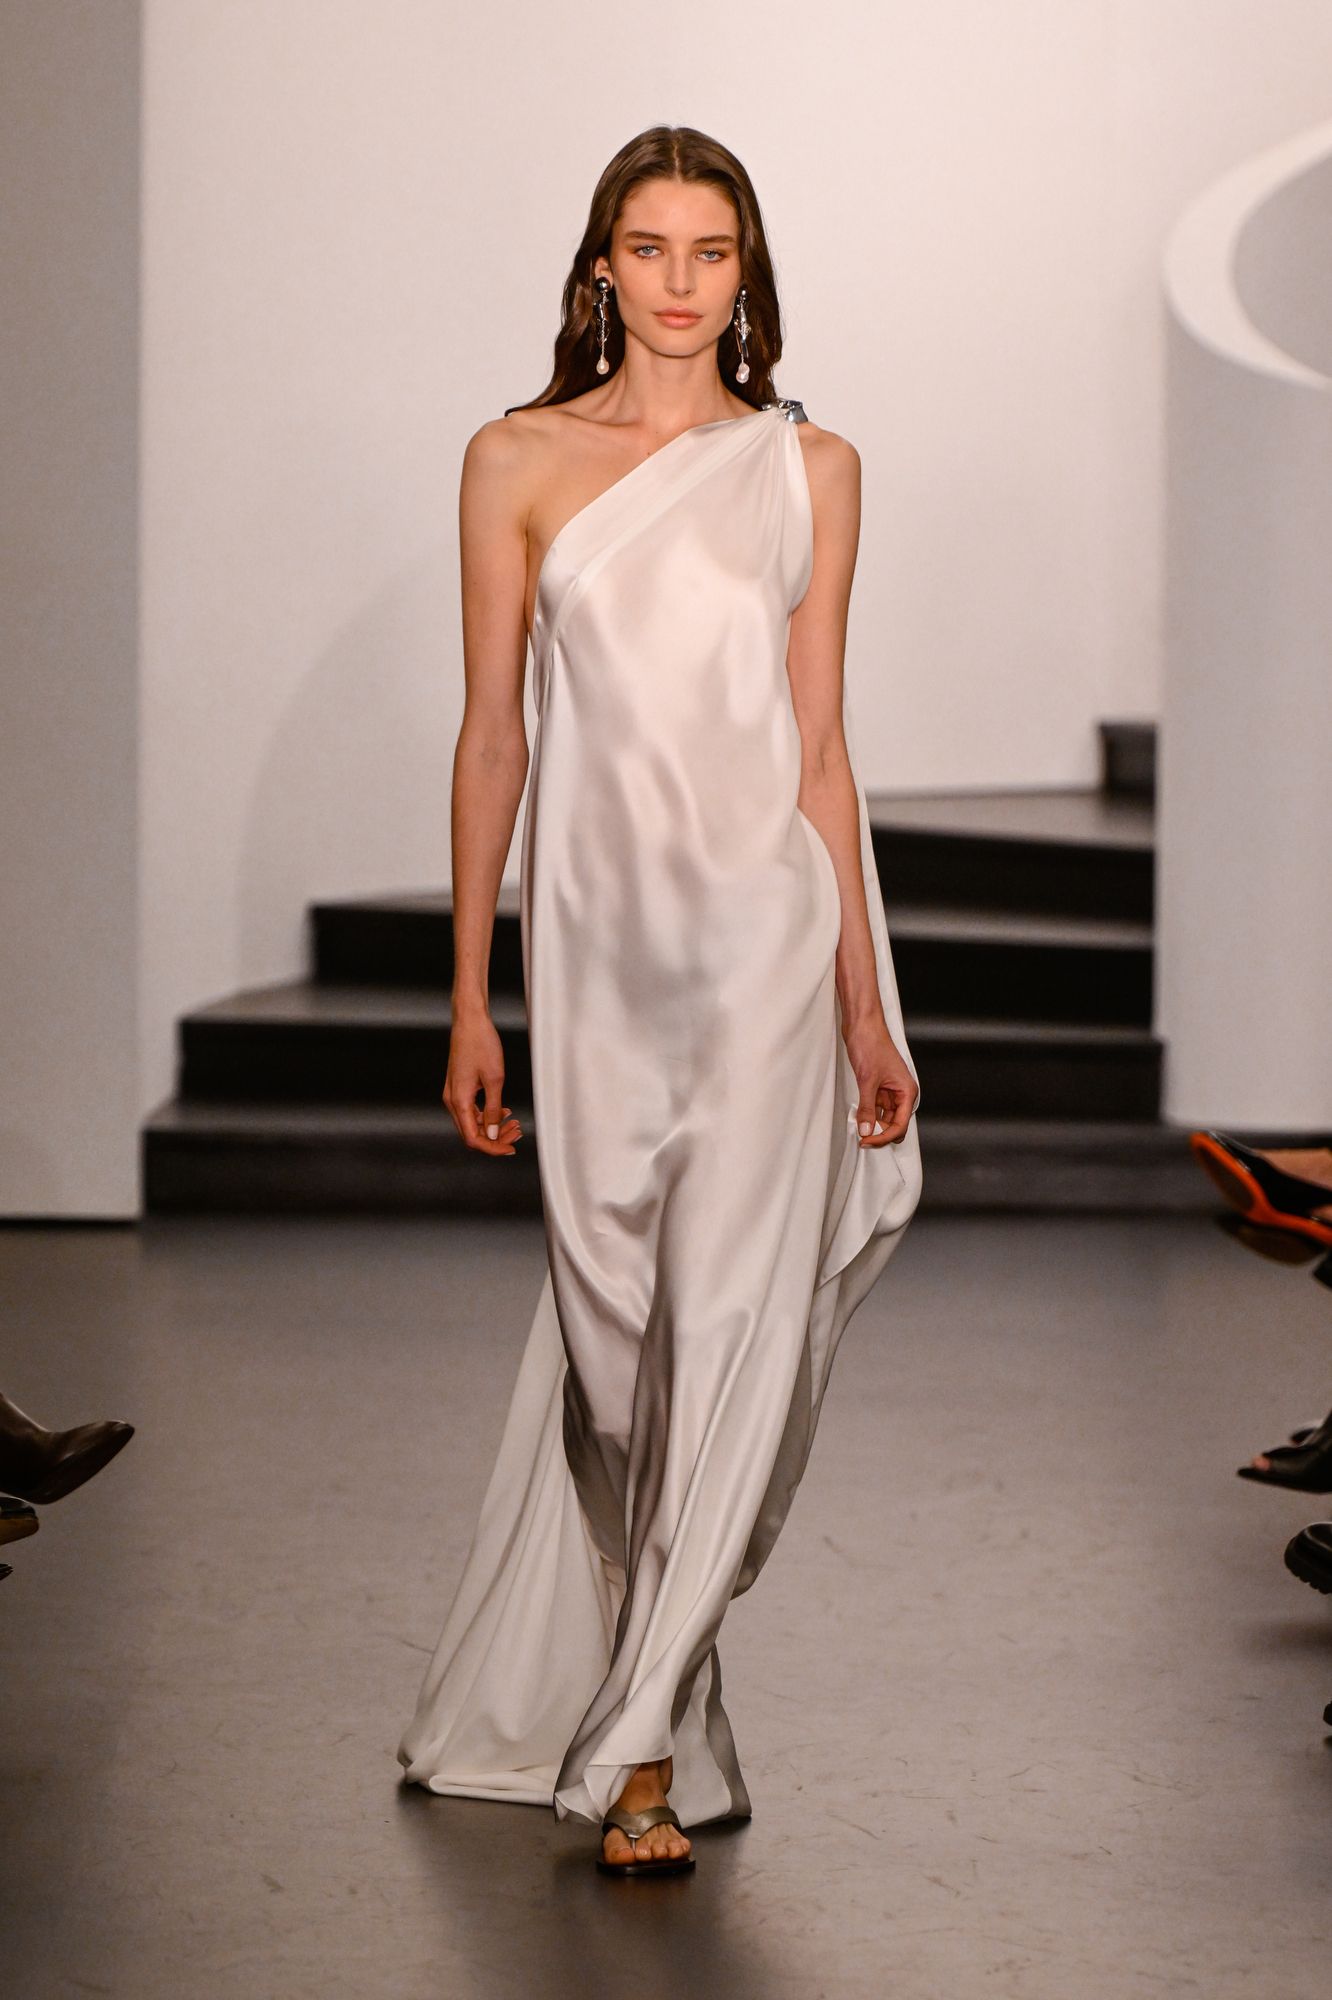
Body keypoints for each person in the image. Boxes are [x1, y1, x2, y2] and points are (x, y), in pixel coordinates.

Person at [398, 125, 923, 1877]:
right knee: (621, 1356)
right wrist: (469, 995)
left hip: (766, 952)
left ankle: (636, 1756)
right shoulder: (514, 459)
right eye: (650, 247)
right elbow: (495, 735)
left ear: (747, 271)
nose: (681, 281)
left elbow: (821, 751)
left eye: (712, 250)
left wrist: (864, 1006)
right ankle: (666, 1685)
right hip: (597, 960)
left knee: (727, 1332)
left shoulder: (813, 467)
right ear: (600, 267)